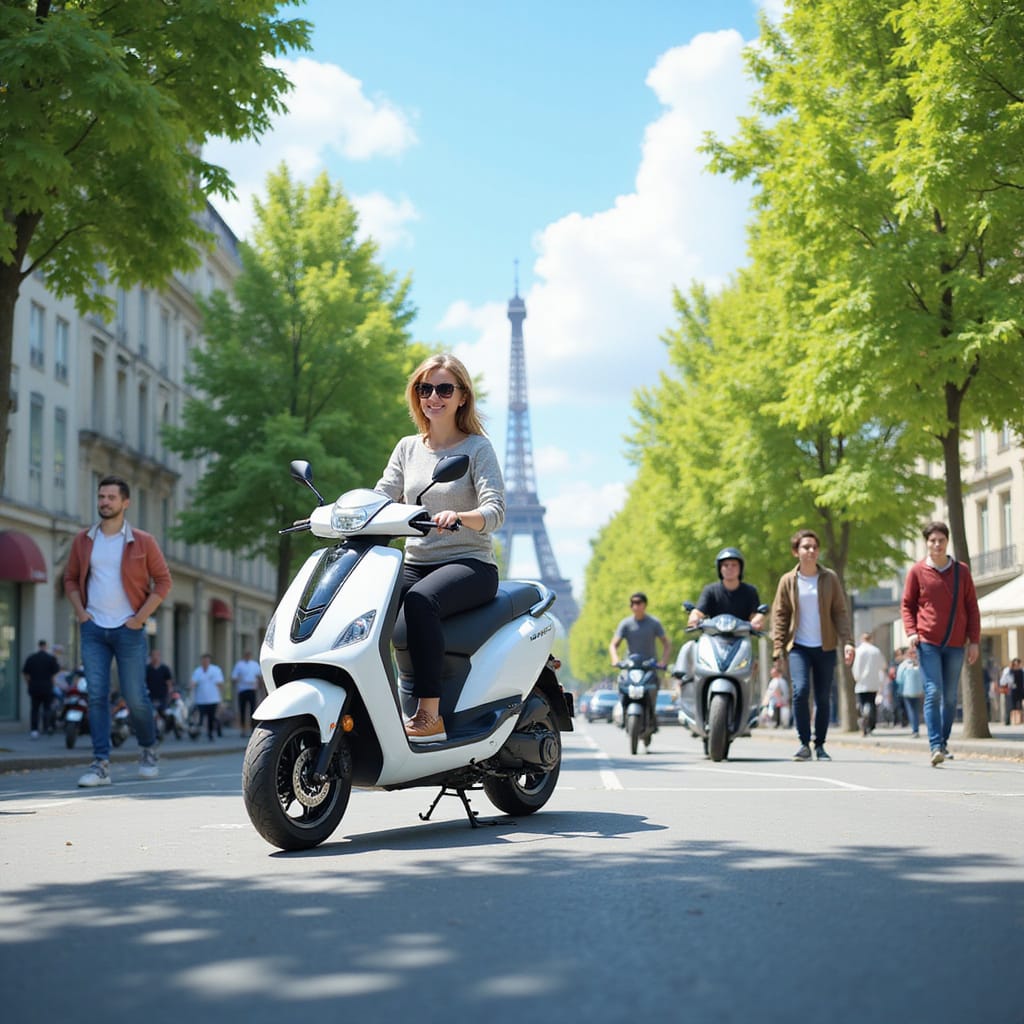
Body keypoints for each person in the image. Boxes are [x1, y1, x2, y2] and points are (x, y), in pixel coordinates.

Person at [374, 353, 505, 742]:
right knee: (367, 603)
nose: (434, 397)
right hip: (416, 561)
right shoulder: (407, 448)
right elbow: (381, 496)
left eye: (445, 389)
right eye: (425, 388)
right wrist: (346, 511)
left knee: (419, 602)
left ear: (463, 397)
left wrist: (461, 516)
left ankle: (429, 714)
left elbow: (495, 510)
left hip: (469, 563)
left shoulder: (478, 449)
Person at [64, 475, 172, 787]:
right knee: (96, 695)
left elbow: (163, 581)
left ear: (125, 503)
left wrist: (139, 618)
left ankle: (148, 748)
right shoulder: (84, 540)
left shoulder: (143, 541)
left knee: (135, 696)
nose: (104, 502)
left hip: (129, 629)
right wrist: (81, 613)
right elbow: (70, 578)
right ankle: (100, 763)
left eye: (111, 497)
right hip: (93, 629)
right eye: (101, 497)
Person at [770, 528, 855, 762]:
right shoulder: (788, 580)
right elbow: (780, 616)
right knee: (800, 691)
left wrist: (847, 642)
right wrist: (778, 648)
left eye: (814, 547)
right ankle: (803, 743)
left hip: (825, 646)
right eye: (805, 547)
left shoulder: (829, 578)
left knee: (823, 697)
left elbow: (840, 612)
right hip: (798, 646)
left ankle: (820, 745)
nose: (811, 551)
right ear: (796, 552)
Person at [901, 520, 981, 767]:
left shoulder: (961, 571)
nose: (937, 545)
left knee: (950, 698)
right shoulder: (917, 571)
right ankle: (935, 745)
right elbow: (907, 605)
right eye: (932, 540)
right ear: (926, 543)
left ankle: (943, 742)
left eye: (941, 540)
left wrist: (974, 641)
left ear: (947, 542)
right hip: (927, 642)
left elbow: (972, 607)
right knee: (933, 691)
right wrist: (911, 632)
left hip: (956, 643)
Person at [609, 592, 671, 730]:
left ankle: (652, 715)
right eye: (632, 603)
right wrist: (615, 659)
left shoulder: (654, 623)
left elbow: (666, 643)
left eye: (638, 603)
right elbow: (613, 644)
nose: (635, 606)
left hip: (649, 667)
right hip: (631, 667)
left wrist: (663, 661)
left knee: (652, 691)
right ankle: (623, 711)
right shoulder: (625, 624)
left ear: (645, 605)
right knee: (622, 684)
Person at [22, 639, 60, 739]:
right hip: (47, 687)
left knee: (35, 709)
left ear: (38, 646)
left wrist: (29, 684)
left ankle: (34, 730)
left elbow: (25, 674)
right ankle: (46, 727)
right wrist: (52, 683)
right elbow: (55, 673)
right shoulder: (50, 658)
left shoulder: (31, 658)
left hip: (34, 687)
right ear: (45, 646)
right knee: (47, 708)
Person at [852, 632, 887, 736]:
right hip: (873, 681)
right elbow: (883, 665)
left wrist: (856, 677)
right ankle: (870, 724)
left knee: (862, 702)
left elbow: (856, 667)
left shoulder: (858, 651)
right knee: (871, 702)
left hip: (862, 682)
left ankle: (864, 717)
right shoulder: (876, 651)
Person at [190, 653, 224, 741]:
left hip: (213, 699)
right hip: (200, 699)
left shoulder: (215, 670)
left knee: (211, 718)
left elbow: (220, 684)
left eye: (206, 661)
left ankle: (210, 734)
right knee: (200, 718)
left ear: (209, 661)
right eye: (203, 661)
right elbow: (193, 682)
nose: (205, 662)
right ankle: (197, 733)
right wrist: (191, 687)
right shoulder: (198, 671)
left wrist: (221, 699)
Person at [231, 650, 261, 736]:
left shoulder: (254, 664)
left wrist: (259, 687)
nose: (248, 656)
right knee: (242, 710)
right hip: (242, 689)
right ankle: (243, 729)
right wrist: (240, 680)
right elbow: (234, 677)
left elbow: (259, 676)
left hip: (252, 689)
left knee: (253, 710)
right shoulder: (239, 665)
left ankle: (252, 728)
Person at [897, 646, 924, 738]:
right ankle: (916, 728)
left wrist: (899, 690)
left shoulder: (903, 665)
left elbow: (899, 679)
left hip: (906, 691)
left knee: (911, 710)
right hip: (918, 691)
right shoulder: (918, 664)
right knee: (916, 710)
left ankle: (914, 729)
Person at [145, 649, 174, 713]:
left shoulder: (165, 669)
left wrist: (170, 692)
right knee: (151, 712)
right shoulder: (147, 669)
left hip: (162, 695)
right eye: (153, 655)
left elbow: (169, 682)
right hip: (150, 695)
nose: (155, 657)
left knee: (163, 712)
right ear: (150, 657)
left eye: (157, 655)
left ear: (159, 656)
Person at [1000, 658, 1024, 725]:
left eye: (1018, 664)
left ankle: (1018, 721)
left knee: (1019, 706)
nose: (1016, 665)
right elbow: (1002, 682)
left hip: (1020, 691)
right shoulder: (1008, 671)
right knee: (1010, 706)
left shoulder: (1022, 671)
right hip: (1010, 691)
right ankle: (1008, 721)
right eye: (1015, 664)